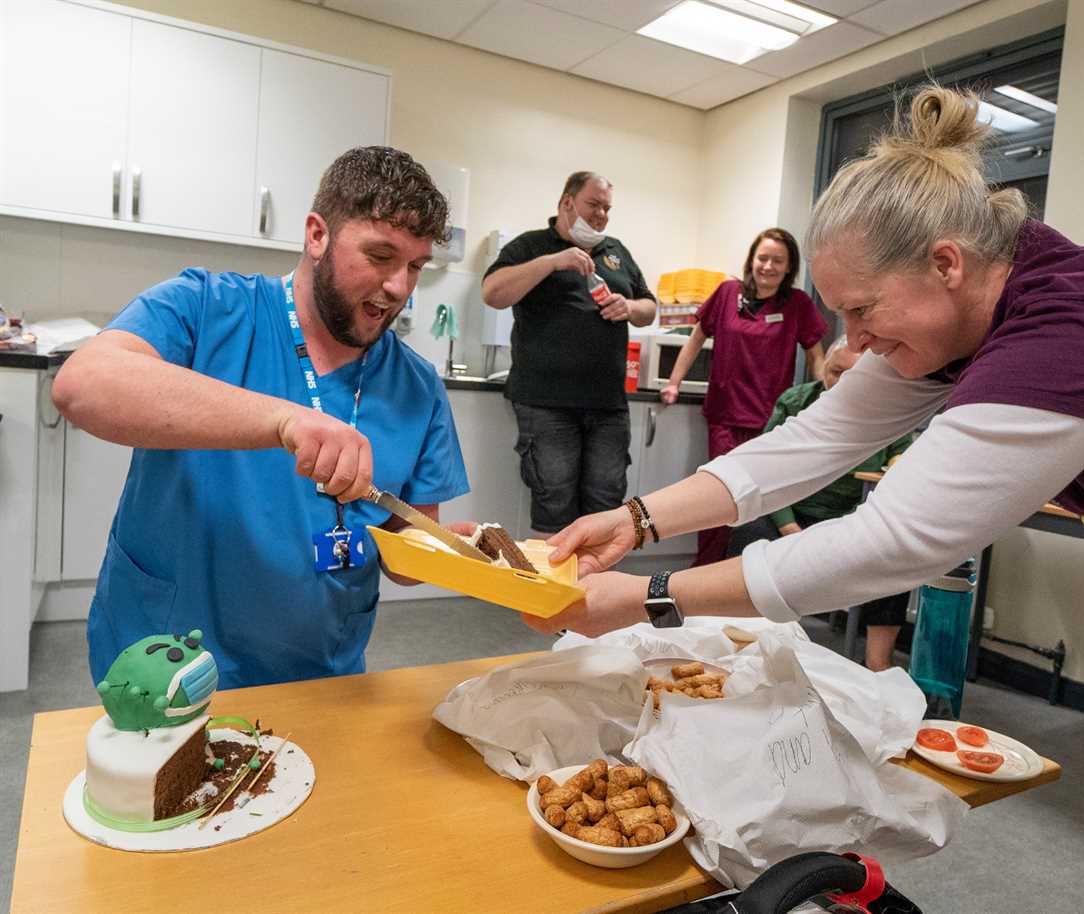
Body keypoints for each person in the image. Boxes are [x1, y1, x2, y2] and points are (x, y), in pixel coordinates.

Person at [530, 84, 1084, 913]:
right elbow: (809, 443)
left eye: (860, 311)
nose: (853, 344)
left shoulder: (1075, 327)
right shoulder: (963, 319)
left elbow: (892, 541)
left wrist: (647, 600)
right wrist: (637, 520)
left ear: (946, 263)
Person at [52, 146, 470, 689]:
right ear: (317, 235)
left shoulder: (418, 387)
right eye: (380, 256)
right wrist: (284, 420)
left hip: (319, 676)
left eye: (415, 266)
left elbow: (405, 557)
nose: (399, 288)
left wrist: (455, 555)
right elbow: (82, 385)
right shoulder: (205, 307)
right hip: (163, 668)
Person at [481, 171, 656, 537]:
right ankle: (555, 593)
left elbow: (649, 307)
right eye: (594, 205)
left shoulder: (616, 252)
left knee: (607, 507)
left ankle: (594, 593)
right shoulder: (531, 246)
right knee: (554, 507)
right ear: (566, 202)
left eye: (607, 208)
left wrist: (630, 306)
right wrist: (552, 262)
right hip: (546, 405)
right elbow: (493, 293)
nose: (601, 216)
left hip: (608, 406)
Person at [726, 336, 914, 671]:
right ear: (823, 368)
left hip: (849, 519)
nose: (840, 383)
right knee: (748, 531)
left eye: (851, 375)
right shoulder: (797, 401)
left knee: (894, 550)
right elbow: (768, 470)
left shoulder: (890, 409)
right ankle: (745, 642)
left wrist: (900, 460)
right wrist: (789, 527)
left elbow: (902, 453)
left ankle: (878, 661)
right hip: (791, 511)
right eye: (835, 372)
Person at [660, 228, 827, 565]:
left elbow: (816, 357)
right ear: (751, 259)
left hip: (772, 423)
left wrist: (826, 397)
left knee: (761, 505)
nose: (768, 266)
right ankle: (703, 571)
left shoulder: (797, 305)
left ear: (789, 267)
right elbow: (696, 339)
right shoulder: (726, 293)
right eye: (763, 258)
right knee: (716, 498)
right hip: (726, 416)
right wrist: (673, 382)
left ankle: (744, 579)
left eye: (778, 261)